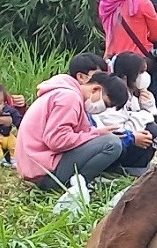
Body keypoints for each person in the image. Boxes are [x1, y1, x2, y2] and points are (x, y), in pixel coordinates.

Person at [16, 55, 124, 192]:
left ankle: (80, 182)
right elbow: (56, 140)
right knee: (112, 144)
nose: (104, 108)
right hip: (45, 173)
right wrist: (95, 135)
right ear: (96, 89)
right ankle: (79, 185)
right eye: (107, 104)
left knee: (107, 140)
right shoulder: (69, 98)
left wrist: (94, 134)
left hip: (40, 166)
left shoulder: (67, 93)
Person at [98, 52, 157, 170]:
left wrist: (148, 106)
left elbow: (152, 118)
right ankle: (123, 167)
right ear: (125, 77)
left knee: (154, 129)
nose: (145, 76)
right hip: (117, 142)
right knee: (152, 130)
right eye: (141, 72)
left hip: (129, 137)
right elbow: (116, 127)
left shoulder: (133, 94)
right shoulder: (115, 95)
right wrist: (145, 115)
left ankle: (138, 165)